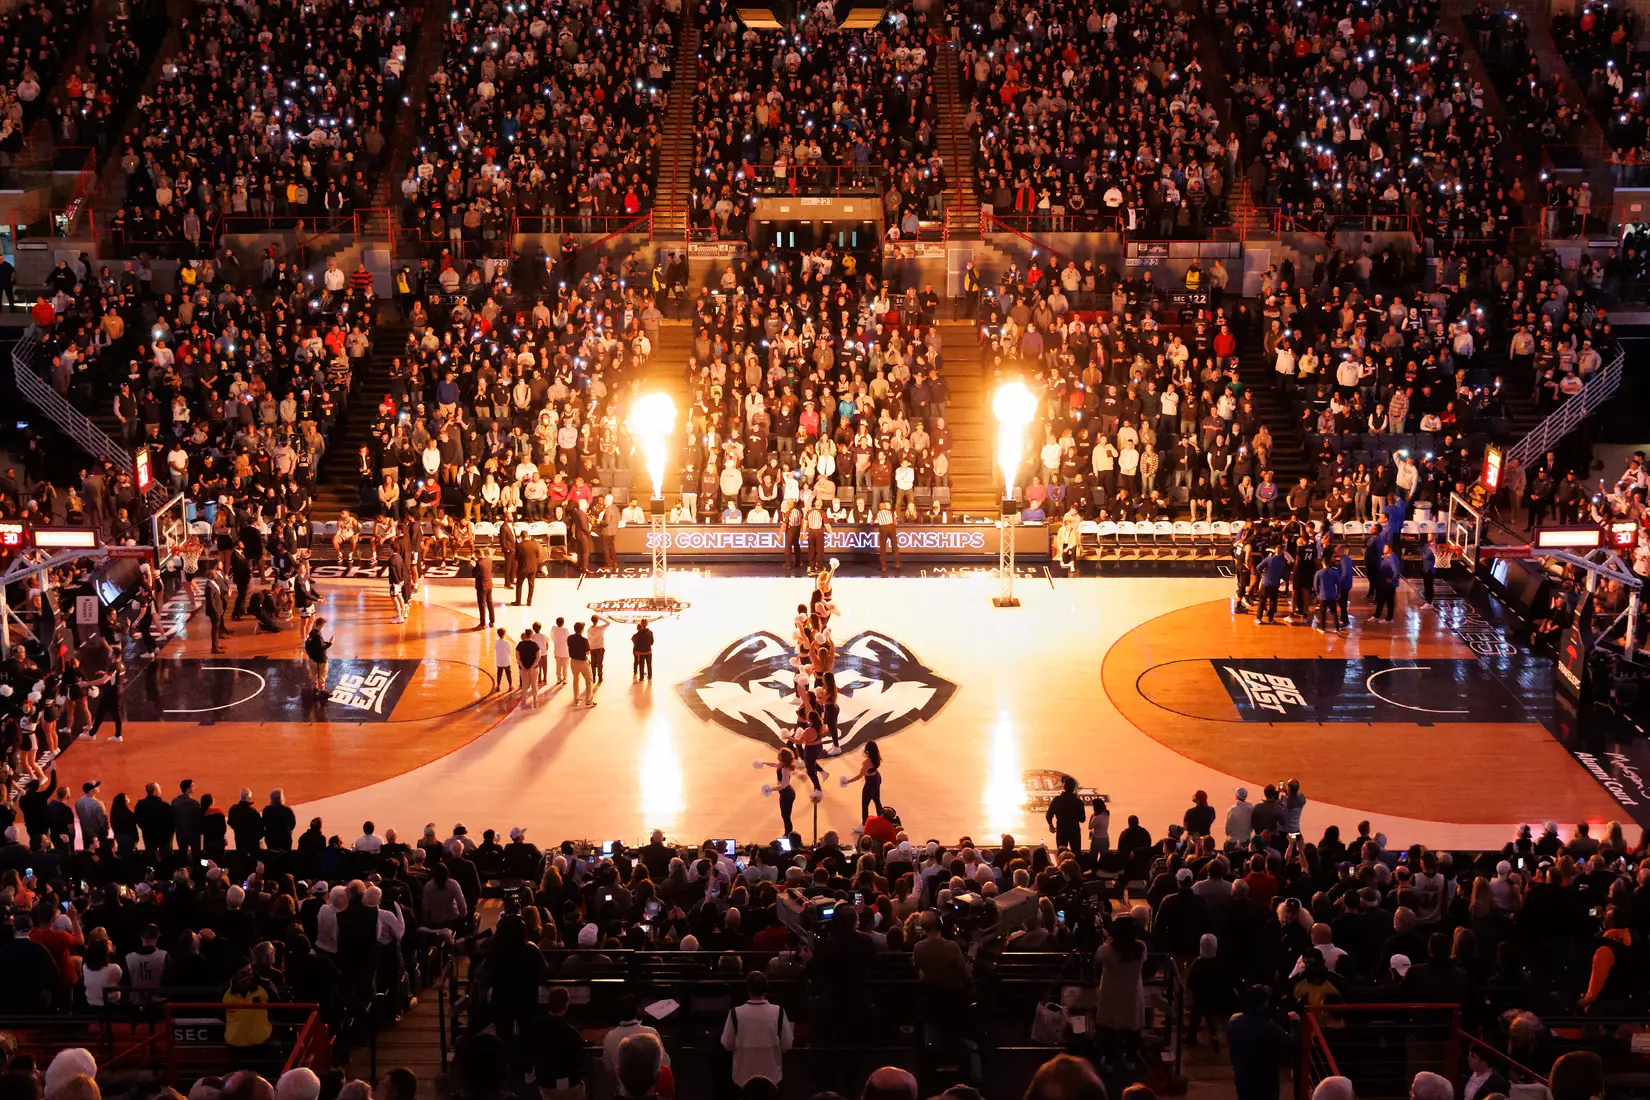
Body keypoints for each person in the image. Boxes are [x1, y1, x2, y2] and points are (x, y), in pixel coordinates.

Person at [720, 972, 793, 1091]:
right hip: (772, 1075)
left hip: (742, 1076)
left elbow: (727, 1044)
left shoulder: (735, 1013)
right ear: (766, 989)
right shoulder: (778, 1012)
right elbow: (787, 1043)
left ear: (748, 989)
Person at [756, 747, 799, 835]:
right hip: (784, 793)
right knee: (784, 815)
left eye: (779, 754)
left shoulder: (785, 769)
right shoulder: (781, 764)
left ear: (783, 757)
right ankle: (787, 833)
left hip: (787, 794)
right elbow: (774, 764)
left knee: (786, 816)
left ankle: (788, 834)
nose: (777, 754)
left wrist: (770, 789)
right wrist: (764, 763)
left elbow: (784, 785)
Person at [840, 741, 884, 821]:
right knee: (877, 801)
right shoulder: (876, 757)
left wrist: (847, 781)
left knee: (865, 805)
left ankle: (865, 824)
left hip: (870, 783)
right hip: (877, 778)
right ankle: (882, 819)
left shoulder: (866, 762)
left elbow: (859, 776)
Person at [1046, 775, 1086, 852]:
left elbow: (1048, 815)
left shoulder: (1057, 800)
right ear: (1074, 788)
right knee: (1076, 853)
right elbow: (1082, 819)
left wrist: (1051, 825)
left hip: (1061, 830)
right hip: (1074, 831)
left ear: (1064, 787)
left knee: (1061, 853)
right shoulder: (1078, 802)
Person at [568, 621, 595, 707]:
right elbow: (587, 652)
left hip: (573, 661)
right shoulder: (584, 640)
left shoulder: (570, 638)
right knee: (589, 680)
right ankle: (588, 701)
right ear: (582, 630)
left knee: (576, 680)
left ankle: (576, 700)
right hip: (583, 662)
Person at [304, 618, 332, 694]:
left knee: (314, 674)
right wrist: (330, 643)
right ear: (320, 625)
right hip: (321, 659)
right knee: (322, 674)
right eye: (323, 626)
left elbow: (308, 645)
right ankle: (321, 689)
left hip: (313, 659)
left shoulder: (311, 633)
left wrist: (311, 656)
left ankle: (315, 687)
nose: (323, 628)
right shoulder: (318, 635)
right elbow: (321, 647)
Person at [516, 630, 541, 707]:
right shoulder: (535, 644)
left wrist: (523, 667)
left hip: (523, 669)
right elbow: (538, 657)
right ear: (532, 635)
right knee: (534, 685)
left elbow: (518, 658)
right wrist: (532, 667)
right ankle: (535, 702)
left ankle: (523, 703)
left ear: (525, 635)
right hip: (534, 669)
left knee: (524, 686)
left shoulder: (520, 645)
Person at [472, 548, 495, 629]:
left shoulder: (479, 564)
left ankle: (482, 624)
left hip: (482, 586)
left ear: (478, 554)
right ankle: (492, 621)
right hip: (489, 584)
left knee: (482, 606)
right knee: (490, 603)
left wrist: (473, 567)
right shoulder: (489, 559)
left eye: (475, 555)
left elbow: (475, 575)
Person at [492, 628, 514, 693]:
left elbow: (495, 648)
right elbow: (510, 650)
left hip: (499, 661)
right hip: (506, 661)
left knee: (499, 674)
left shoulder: (496, 642)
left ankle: (498, 686)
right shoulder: (507, 642)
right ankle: (510, 685)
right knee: (508, 674)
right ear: (504, 634)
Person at [550, 617, 571, 684]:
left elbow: (552, 637)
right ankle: (565, 678)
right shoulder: (565, 630)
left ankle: (559, 678)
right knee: (565, 666)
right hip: (565, 651)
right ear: (563, 623)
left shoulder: (554, 629)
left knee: (558, 666)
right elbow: (568, 640)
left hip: (557, 650)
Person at [588, 614, 608, 684]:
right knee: (600, 663)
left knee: (593, 664)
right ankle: (600, 678)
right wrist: (600, 618)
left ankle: (593, 678)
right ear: (597, 620)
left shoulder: (589, 629)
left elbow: (589, 639)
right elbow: (608, 623)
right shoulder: (601, 628)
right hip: (600, 648)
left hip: (592, 648)